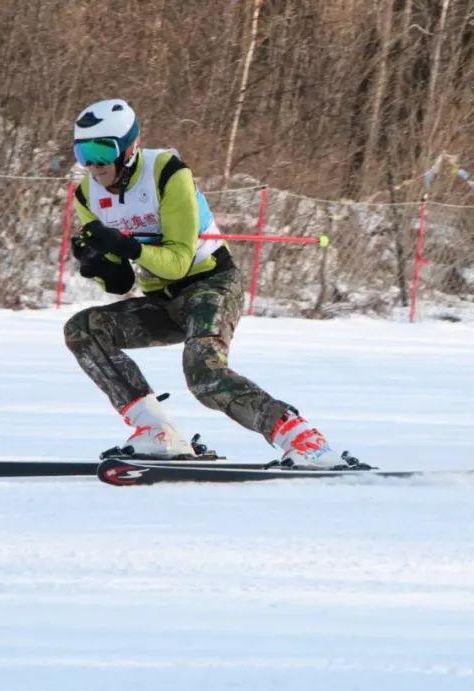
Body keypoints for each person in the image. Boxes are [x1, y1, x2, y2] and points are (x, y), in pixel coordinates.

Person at [63, 98, 349, 468]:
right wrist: (97, 263)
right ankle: (157, 432)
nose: (94, 164)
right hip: (163, 299)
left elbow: (179, 263)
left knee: (203, 372)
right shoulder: (87, 194)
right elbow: (121, 283)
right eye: (83, 152)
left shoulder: (168, 173)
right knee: (83, 330)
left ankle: (302, 438)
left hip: (211, 284)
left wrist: (126, 244)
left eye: (103, 149)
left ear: (130, 147)